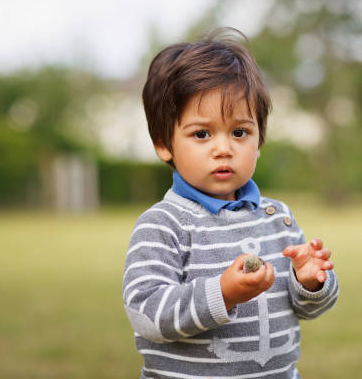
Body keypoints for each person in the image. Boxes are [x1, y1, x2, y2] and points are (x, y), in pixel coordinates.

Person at [123, 27, 339, 379]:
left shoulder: (277, 217)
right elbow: (146, 313)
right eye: (201, 134)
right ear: (164, 144)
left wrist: (310, 283)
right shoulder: (163, 225)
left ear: (259, 141)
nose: (223, 148)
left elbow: (308, 310)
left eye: (239, 132)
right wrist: (221, 294)